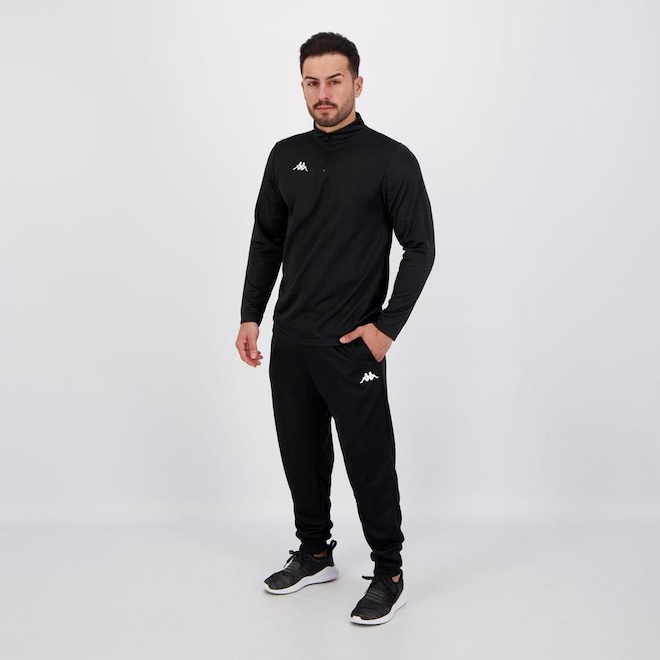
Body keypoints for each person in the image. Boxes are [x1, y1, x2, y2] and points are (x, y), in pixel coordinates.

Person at [235, 31, 435, 625]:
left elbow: (420, 248)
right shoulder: (284, 155)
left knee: (369, 460)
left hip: (353, 345)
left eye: (334, 81)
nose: (323, 93)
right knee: (301, 453)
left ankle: (389, 571)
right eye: (312, 82)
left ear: (357, 84)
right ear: (302, 86)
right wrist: (250, 314)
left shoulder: (390, 159)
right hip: (292, 339)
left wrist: (385, 329)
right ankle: (316, 552)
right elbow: (266, 241)